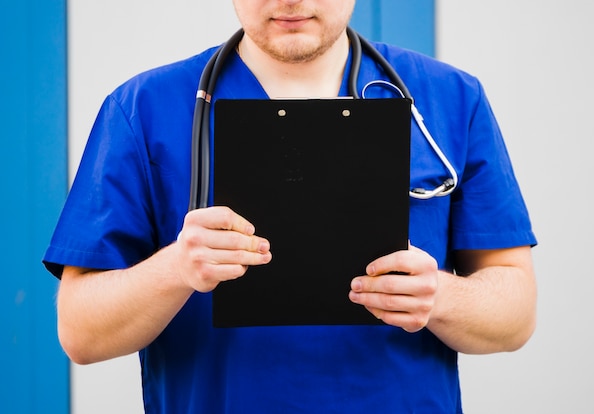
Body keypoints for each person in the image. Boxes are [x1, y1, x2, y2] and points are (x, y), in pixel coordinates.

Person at [44, 1, 537, 412]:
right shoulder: (142, 109)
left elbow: (515, 315)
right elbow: (80, 333)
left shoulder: (452, 98)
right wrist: (175, 268)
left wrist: (442, 298)